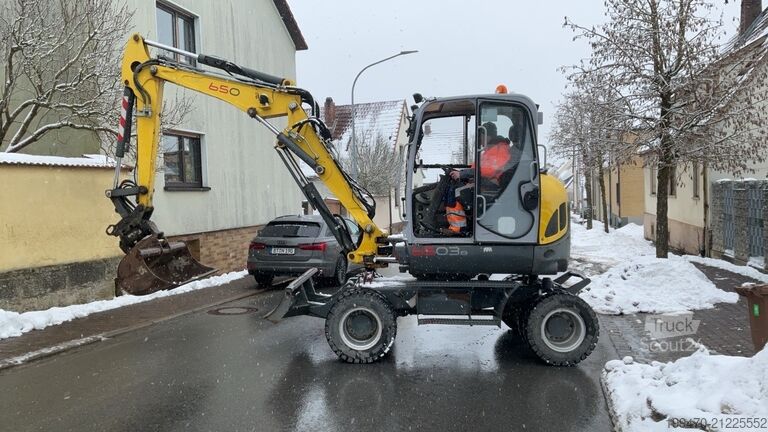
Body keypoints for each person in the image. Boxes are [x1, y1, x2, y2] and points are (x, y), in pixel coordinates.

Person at [422, 122, 520, 234]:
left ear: (487, 135)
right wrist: (461, 174)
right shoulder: (489, 151)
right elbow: (476, 168)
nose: (479, 141)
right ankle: (434, 220)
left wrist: (463, 174)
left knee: (455, 192)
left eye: (480, 136)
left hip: (492, 186)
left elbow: (491, 169)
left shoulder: (500, 149)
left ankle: (458, 229)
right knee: (450, 186)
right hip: (483, 182)